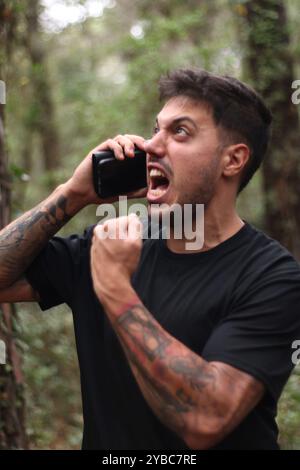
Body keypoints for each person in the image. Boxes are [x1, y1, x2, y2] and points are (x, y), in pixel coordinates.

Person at [0, 68, 300, 450]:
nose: (151, 145)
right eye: (155, 129)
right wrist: (75, 193)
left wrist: (114, 288)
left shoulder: (273, 277)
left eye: (180, 132)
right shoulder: (112, 245)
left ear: (233, 160)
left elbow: (206, 419)